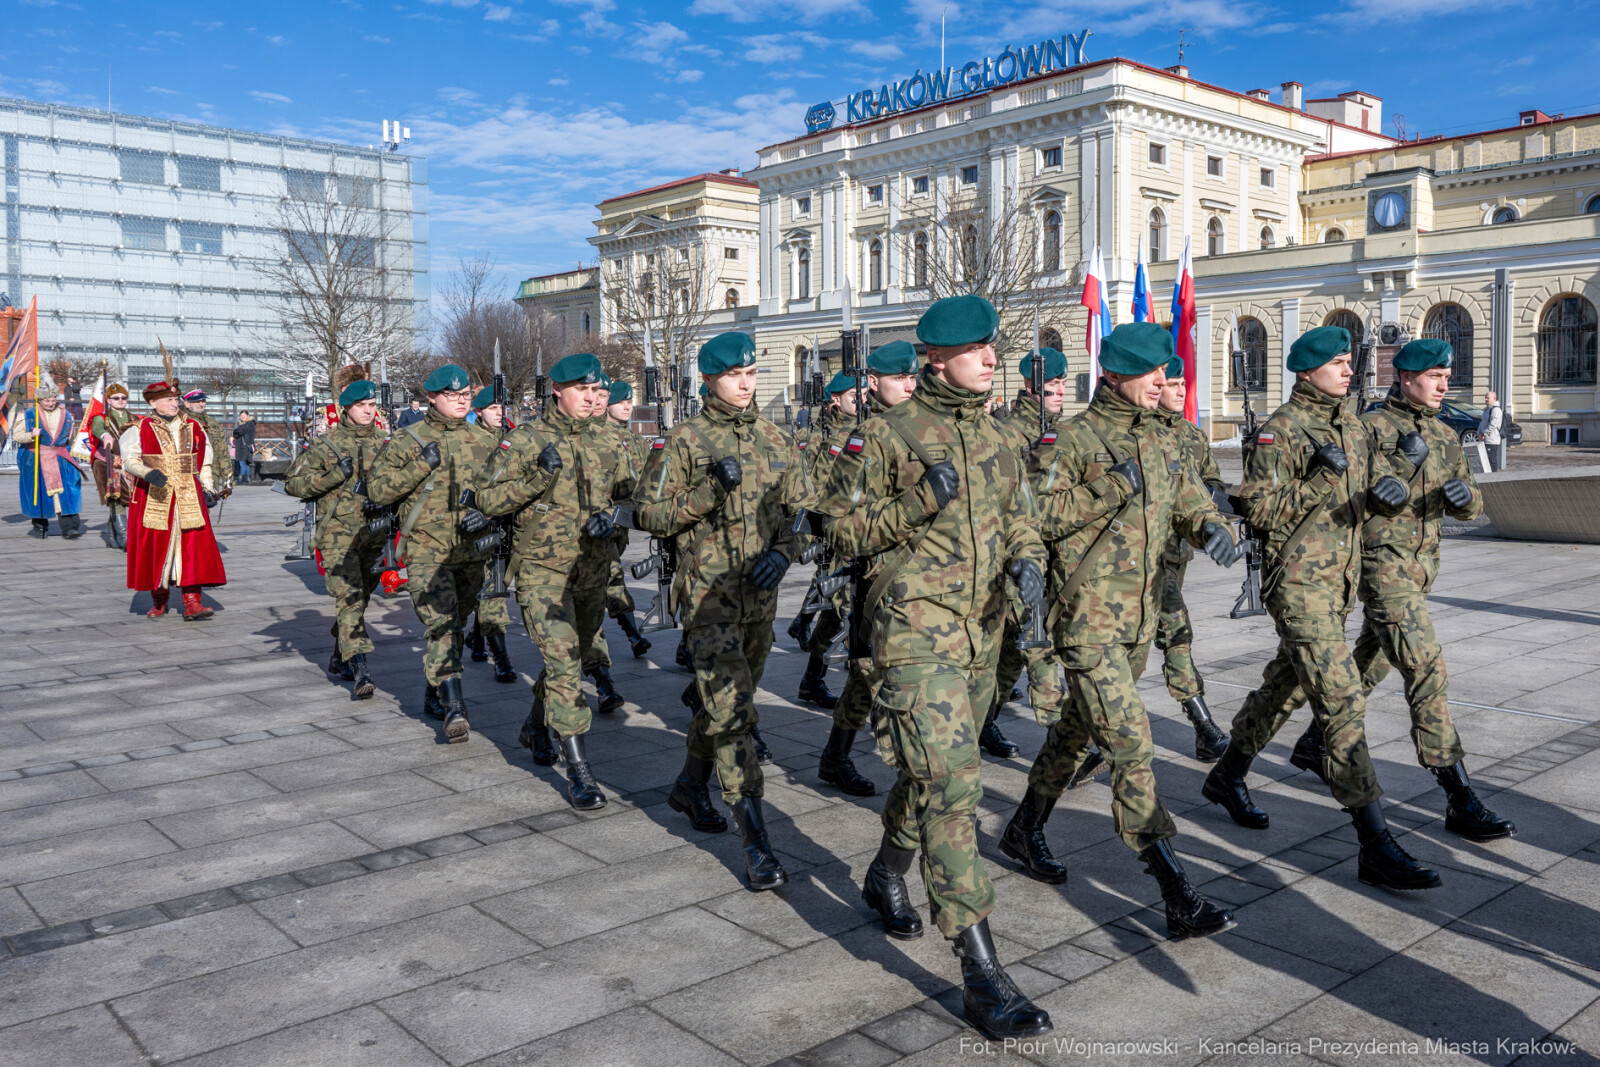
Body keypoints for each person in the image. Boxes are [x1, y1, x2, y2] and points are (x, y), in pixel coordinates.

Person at [819, 296, 1051, 1040]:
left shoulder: (998, 438)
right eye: (979, 348)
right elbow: (840, 532)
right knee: (953, 785)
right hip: (913, 633)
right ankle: (982, 971)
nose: (992, 357)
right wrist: (920, 499)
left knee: (928, 776)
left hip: (980, 636)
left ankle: (887, 869)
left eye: (993, 347)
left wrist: (1028, 559)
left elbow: (1021, 516)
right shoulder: (884, 436)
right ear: (937, 359)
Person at [1001, 324, 1240, 942]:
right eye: (1153, 372)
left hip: (1138, 624)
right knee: (1131, 748)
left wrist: (1212, 527)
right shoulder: (1072, 439)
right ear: (1115, 375)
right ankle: (1174, 890)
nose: (1164, 382)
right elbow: (1033, 518)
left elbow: (1190, 501)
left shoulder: (1161, 438)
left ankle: (1024, 828)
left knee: (1072, 738)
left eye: (1167, 371)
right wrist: (1111, 487)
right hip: (1087, 624)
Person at [1201, 326, 1442, 891]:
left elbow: (1367, 487)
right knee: (1341, 704)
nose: (1347, 371)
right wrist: (1317, 480)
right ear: (1307, 371)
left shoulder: (1352, 425)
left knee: (1284, 688)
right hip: (1300, 586)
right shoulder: (1281, 432)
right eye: (1336, 363)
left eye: (1348, 362)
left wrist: (1389, 485)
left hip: (1339, 585)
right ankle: (1374, 843)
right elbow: (1257, 510)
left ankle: (1228, 774)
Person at [1286, 340, 1515, 840]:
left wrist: (1465, 499)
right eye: (1434, 376)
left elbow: (1472, 502)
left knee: (1374, 658)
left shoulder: (1444, 432)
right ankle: (1458, 795)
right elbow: (1349, 492)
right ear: (1406, 377)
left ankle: (1313, 742)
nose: (1443, 385)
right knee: (1426, 668)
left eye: (1446, 377)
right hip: (1381, 567)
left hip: (1419, 571)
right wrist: (1387, 485)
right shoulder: (1368, 428)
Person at [638, 331, 806, 892]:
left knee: (727, 703)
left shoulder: (775, 436)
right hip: (708, 598)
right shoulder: (683, 440)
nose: (746, 383)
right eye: (734, 375)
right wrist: (710, 491)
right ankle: (756, 842)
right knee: (733, 713)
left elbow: (798, 513)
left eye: (752, 373)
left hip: (759, 598)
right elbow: (651, 516)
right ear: (709, 380)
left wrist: (784, 555)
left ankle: (689, 785)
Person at [476, 355, 636, 809]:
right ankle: (580, 772)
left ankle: (535, 724)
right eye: (581, 391)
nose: (591, 398)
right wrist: (537, 477)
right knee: (566, 665)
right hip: (542, 573)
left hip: (592, 571)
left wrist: (614, 518)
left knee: (570, 659)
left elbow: (637, 497)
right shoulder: (525, 440)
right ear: (557, 392)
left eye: (595, 391)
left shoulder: (611, 440)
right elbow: (486, 497)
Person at [811, 340, 923, 797]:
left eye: (913, 377)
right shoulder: (865, 437)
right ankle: (847, 757)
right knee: (872, 671)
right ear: (873, 382)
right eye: (900, 378)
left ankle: (838, 755)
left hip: (917, 574)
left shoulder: (915, 428)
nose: (910, 385)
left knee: (870, 672)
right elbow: (839, 515)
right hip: (875, 574)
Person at [367, 364, 496, 744]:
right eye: (452, 395)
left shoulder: (486, 441)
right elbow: (376, 492)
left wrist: (486, 513)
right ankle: (455, 706)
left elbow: (503, 491)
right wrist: (421, 465)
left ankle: (434, 690)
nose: (461, 401)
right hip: (426, 551)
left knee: (458, 620)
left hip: (472, 551)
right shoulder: (407, 440)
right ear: (432, 399)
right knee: (441, 624)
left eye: (465, 396)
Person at [284, 375, 392, 700]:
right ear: (346, 408)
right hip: (337, 537)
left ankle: (339, 653)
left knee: (364, 596)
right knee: (350, 598)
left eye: (372, 405)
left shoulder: (387, 442)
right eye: (362, 405)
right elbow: (293, 482)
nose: (369, 411)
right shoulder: (325, 443)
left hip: (374, 533)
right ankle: (361, 668)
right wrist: (333, 476)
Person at [987, 346, 1072, 759]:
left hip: (1052, 554)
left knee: (1010, 654)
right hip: (1017, 556)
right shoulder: (1008, 433)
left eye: (1061, 385)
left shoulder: (1062, 432)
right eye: (1052, 385)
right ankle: (1061, 740)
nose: (1059, 392)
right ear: (1030, 386)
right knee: (1039, 643)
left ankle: (985, 719)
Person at [1151, 358, 1231, 761]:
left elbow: (1211, 482)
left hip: (1176, 556)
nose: (1181, 392)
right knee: (1175, 636)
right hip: (1139, 564)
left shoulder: (1193, 436)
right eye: (1173, 384)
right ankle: (1204, 726)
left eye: (1184, 384)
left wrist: (1220, 505)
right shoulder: (1141, 435)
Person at [121, 377, 226, 619]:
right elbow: (129, 460)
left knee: (192, 546)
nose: (174, 403)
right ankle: (159, 600)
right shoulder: (139, 428)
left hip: (189, 493)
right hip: (154, 495)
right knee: (155, 546)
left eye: (176, 399)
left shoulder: (194, 427)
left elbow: (206, 460)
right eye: (168, 400)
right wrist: (147, 473)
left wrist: (209, 488)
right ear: (153, 403)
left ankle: (192, 602)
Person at [464, 385, 517, 684]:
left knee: (489, 590)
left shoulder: (513, 438)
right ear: (479, 412)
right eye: (494, 409)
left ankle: (477, 636)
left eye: (503, 408)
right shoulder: (471, 442)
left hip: (508, 526)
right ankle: (502, 660)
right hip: (482, 527)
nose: (500, 414)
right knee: (493, 592)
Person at [599, 379, 652, 658]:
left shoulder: (634, 440)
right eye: (621, 401)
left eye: (629, 401)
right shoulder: (597, 436)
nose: (627, 406)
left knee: (606, 578)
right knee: (612, 575)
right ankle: (633, 634)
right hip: (604, 519)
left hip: (625, 522)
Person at [10, 373, 85, 539]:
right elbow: (17, 436)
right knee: (39, 492)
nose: (50, 403)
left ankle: (70, 528)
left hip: (60, 458)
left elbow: (70, 437)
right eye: (46, 401)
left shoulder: (66, 414)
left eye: (52, 400)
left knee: (68, 493)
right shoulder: (28, 415)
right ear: (39, 400)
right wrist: (31, 434)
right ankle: (39, 527)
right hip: (37, 458)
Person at [91, 383, 136, 549]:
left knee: (125, 500)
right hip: (106, 463)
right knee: (114, 498)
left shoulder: (134, 418)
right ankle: (125, 538)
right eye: (116, 398)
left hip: (128, 464)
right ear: (108, 400)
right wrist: (104, 434)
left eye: (123, 398)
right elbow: (97, 428)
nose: (120, 400)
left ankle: (110, 535)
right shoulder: (102, 418)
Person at [182, 390, 233, 501]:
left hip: (211, 478)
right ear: (187, 404)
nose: (201, 404)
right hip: (189, 479)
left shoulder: (213, 423)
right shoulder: (181, 422)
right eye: (197, 401)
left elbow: (223, 453)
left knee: (206, 514)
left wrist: (228, 481)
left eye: (203, 400)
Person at [1478, 390, 1503, 472]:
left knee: (1492, 460)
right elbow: (1482, 423)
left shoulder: (1496, 410)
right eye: (1485, 398)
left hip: (1492, 440)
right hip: (1485, 440)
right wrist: (1478, 433)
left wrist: (1484, 433)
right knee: (1486, 460)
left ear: (1494, 398)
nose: (1486, 399)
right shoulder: (1487, 410)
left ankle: (1494, 478)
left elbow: (1493, 425)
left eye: (1488, 398)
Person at [231, 411, 257, 484]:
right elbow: (238, 432)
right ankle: (247, 477)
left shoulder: (249, 423)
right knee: (246, 462)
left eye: (244, 415)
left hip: (245, 446)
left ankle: (241, 477)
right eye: (241, 415)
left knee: (242, 462)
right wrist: (236, 432)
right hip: (244, 445)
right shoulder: (246, 424)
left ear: (248, 415)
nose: (242, 417)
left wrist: (235, 431)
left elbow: (240, 431)